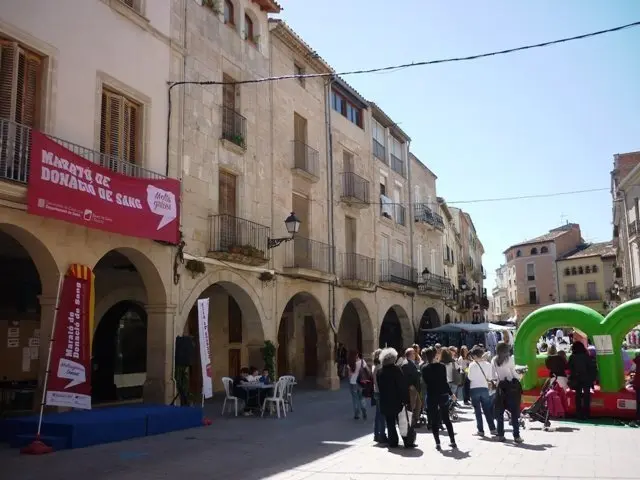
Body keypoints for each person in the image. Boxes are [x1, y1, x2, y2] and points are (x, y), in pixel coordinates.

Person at [376, 348, 414, 449]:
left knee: (390, 423)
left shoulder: (380, 372)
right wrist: (406, 400)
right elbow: (402, 386)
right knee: (402, 421)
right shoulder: (396, 370)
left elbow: (379, 387)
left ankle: (393, 442)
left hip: (385, 400)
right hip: (397, 401)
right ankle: (407, 441)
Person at [421, 347, 457, 450]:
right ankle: (452, 440)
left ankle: (437, 443)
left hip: (431, 395)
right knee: (446, 418)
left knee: (434, 420)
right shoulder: (441, 367)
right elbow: (444, 382)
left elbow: (426, 382)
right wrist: (451, 394)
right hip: (442, 395)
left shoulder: (424, 368)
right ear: (435, 355)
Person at [492, 342, 524, 443]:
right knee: (514, 413)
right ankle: (516, 436)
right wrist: (521, 375)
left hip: (501, 387)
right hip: (511, 387)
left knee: (500, 413)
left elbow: (493, 376)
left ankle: (500, 434)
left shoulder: (494, 360)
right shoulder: (510, 359)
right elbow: (514, 374)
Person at [467, 346, 497, 436]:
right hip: (484, 388)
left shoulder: (472, 365)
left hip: (474, 389)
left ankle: (480, 430)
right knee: (487, 410)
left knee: (477, 411)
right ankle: (492, 429)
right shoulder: (488, 364)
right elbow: (490, 377)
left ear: (475, 356)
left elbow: (470, 377)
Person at [568, 341, 597, 419]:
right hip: (586, 378)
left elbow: (569, 367)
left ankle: (578, 413)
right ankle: (586, 413)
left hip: (576, 378)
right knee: (587, 395)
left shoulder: (572, 357)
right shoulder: (586, 356)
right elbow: (591, 367)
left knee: (578, 395)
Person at [401, 348, 422, 427]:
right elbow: (405, 377)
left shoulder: (411, 363)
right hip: (411, 388)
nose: (415, 354)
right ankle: (410, 422)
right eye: (413, 353)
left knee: (418, 404)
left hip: (415, 387)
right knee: (412, 406)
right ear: (409, 354)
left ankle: (414, 420)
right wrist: (410, 385)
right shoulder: (405, 364)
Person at [371, 349, 387, 443]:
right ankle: (382, 434)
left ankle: (376, 434)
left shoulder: (374, 366)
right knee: (381, 415)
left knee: (378, 414)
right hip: (379, 392)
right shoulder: (378, 367)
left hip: (376, 391)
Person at [347, 351, 368, 420]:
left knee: (355, 399)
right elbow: (367, 370)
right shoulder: (362, 361)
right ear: (357, 355)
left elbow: (349, 375)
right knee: (362, 398)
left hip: (353, 383)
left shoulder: (350, 363)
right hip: (361, 382)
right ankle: (364, 411)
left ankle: (356, 414)